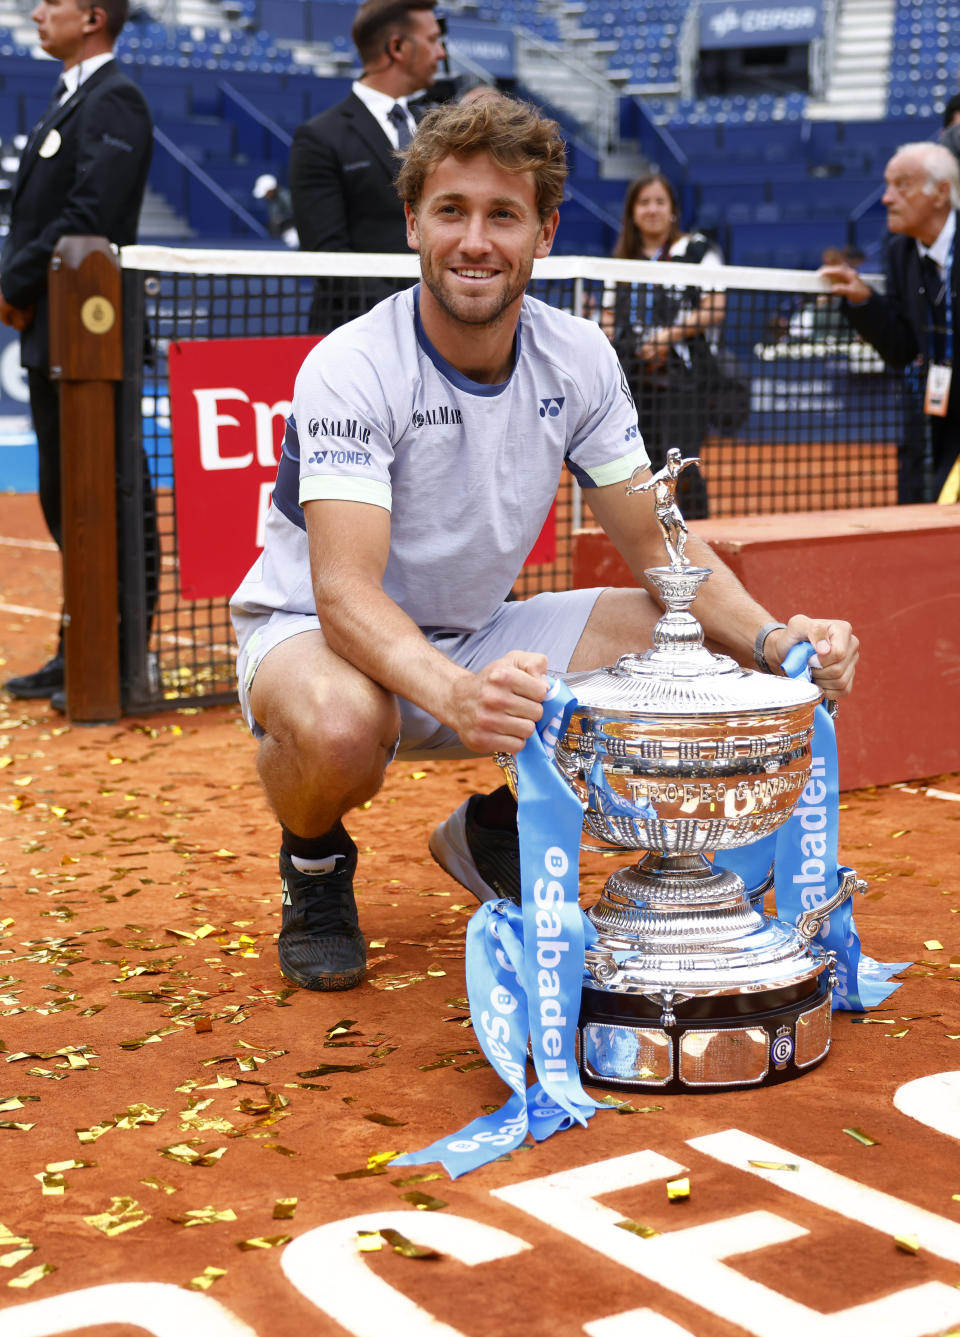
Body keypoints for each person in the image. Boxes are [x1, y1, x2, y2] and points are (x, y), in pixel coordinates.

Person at [230, 98, 860, 994]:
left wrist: (778, 643)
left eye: (503, 214)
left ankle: (496, 826)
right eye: (451, 211)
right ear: (413, 222)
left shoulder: (581, 359)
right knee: (343, 728)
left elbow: (660, 551)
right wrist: (456, 693)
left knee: (678, 646)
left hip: (472, 631)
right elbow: (341, 590)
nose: (475, 241)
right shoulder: (352, 363)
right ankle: (317, 863)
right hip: (315, 636)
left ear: (545, 231)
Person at [1, 0, 154, 702]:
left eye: (52, 2)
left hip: (91, 329)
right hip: (54, 330)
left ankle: (120, 656)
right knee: (67, 498)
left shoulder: (113, 98)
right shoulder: (73, 97)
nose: (36, 12)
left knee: (110, 495)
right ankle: (80, 642)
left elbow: (88, 214)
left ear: (92, 16)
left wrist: (12, 280)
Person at [289, 0, 446, 334]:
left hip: (442, 331)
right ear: (398, 47)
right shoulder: (319, 137)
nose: (442, 53)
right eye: (433, 40)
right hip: (360, 333)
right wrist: (408, 316)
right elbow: (329, 258)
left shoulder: (437, 128)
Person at [821, 141, 960, 505]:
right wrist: (863, 301)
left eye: (902, 185)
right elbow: (903, 348)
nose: (886, 198)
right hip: (937, 418)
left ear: (942, 192)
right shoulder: (900, 250)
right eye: (887, 184)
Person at [601, 173, 727, 521]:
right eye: (644, 202)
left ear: (673, 210)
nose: (652, 209)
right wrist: (619, 339)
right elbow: (609, 315)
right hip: (634, 382)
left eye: (660, 201)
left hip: (684, 382)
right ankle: (655, 542)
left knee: (681, 465)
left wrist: (666, 338)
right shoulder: (620, 261)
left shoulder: (696, 250)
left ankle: (700, 538)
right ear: (632, 212)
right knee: (642, 467)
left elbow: (715, 307)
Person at [252, 173, 298, 248]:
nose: (265, 196)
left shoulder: (285, 197)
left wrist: (282, 219)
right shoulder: (272, 201)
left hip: (292, 232)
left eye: (266, 193)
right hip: (282, 234)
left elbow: (295, 213)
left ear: (272, 190)